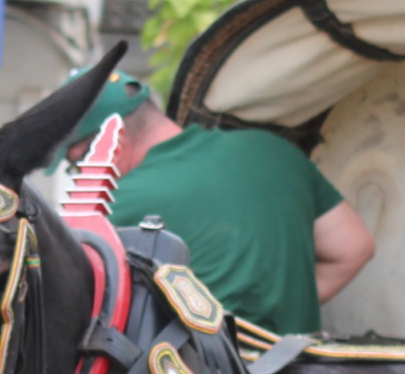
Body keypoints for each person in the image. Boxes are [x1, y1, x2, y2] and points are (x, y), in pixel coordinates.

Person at [56, 74, 376, 335]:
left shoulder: (112, 204)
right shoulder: (276, 151)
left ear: (114, 141)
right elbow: (354, 248)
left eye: (78, 162)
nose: (81, 174)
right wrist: (279, 315)